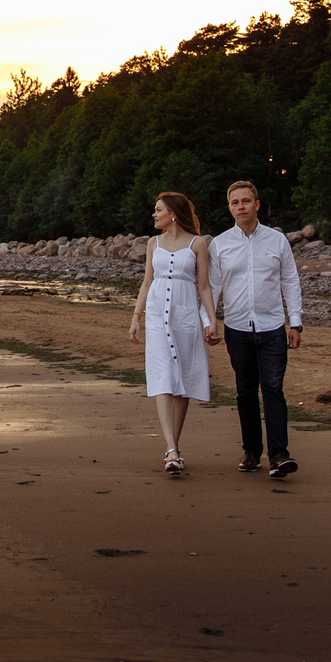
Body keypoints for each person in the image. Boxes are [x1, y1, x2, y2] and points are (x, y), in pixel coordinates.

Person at [209, 180, 304, 478]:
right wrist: (209, 322)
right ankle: (251, 452)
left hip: (272, 327)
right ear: (229, 208)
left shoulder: (277, 241)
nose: (241, 207)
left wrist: (296, 322)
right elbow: (211, 287)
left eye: (246, 201)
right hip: (236, 328)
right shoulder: (220, 244)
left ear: (257, 204)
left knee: (273, 389)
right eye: (235, 203)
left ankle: (279, 455)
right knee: (245, 391)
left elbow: (290, 281)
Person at [126, 191, 217, 475]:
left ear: (173, 214)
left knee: (183, 380)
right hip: (156, 316)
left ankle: (173, 447)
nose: (154, 215)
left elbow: (204, 286)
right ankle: (171, 449)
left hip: (186, 315)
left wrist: (212, 321)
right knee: (163, 376)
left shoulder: (198, 243)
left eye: (158, 210)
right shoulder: (153, 243)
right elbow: (146, 282)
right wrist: (136, 317)